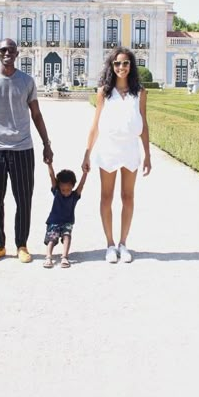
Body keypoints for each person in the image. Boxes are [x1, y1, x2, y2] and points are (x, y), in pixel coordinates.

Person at [0, 38, 53, 263]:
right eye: (3, 50)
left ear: (17, 54)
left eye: (11, 50)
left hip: (22, 148)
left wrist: (47, 144)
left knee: (23, 199)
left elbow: (36, 114)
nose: (7, 53)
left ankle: (22, 245)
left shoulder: (26, 81)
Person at [82, 47, 151, 263]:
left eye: (126, 63)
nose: (121, 67)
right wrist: (87, 154)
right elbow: (95, 125)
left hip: (130, 148)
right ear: (111, 66)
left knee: (128, 197)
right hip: (108, 148)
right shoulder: (103, 91)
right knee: (106, 196)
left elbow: (144, 123)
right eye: (117, 63)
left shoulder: (140, 92)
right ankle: (110, 244)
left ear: (131, 66)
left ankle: (123, 243)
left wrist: (148, 154)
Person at [43, 162, 87, 268]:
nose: (66, 192)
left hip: (67, 221)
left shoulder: (74, 196)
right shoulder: (57, 193)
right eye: (63, 190)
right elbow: (52, 176)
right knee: (52, 239)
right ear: (59, 187)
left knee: (67, 236)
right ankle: (48, 257)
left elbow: (81, 185)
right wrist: (49, 165)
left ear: (72, 186)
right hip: (54, 221)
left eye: (68, 189)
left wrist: (85, 173)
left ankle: (64, 257)